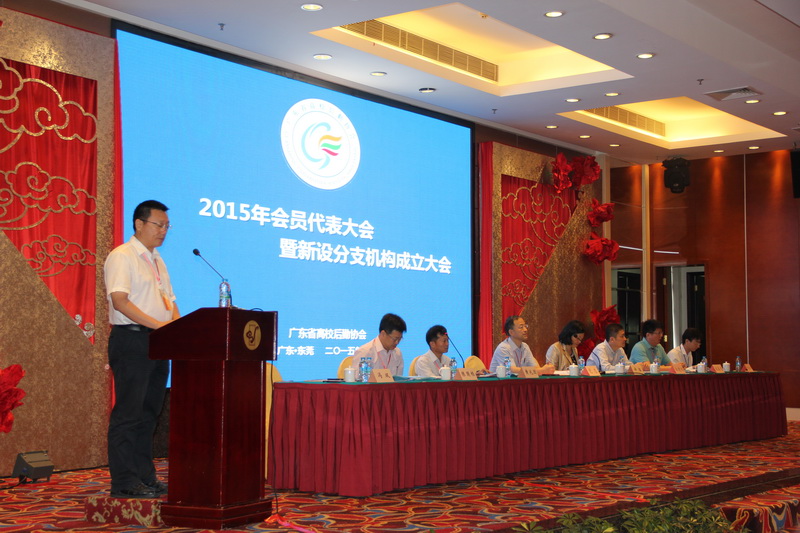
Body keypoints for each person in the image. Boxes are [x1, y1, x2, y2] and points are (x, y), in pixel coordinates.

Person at [104, 200, 180, 499]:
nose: (163, 231)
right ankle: (124, 481)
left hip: (158, 342)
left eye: (167, 226)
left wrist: (178, 329)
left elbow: (170, 302)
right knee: (129, 413)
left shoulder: (158, 260)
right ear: (139, 223)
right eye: (158, 225)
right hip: (133, 341)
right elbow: (120, 301)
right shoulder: (122, 256)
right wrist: (160, 327)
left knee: (149, 414)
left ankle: (145, 477)